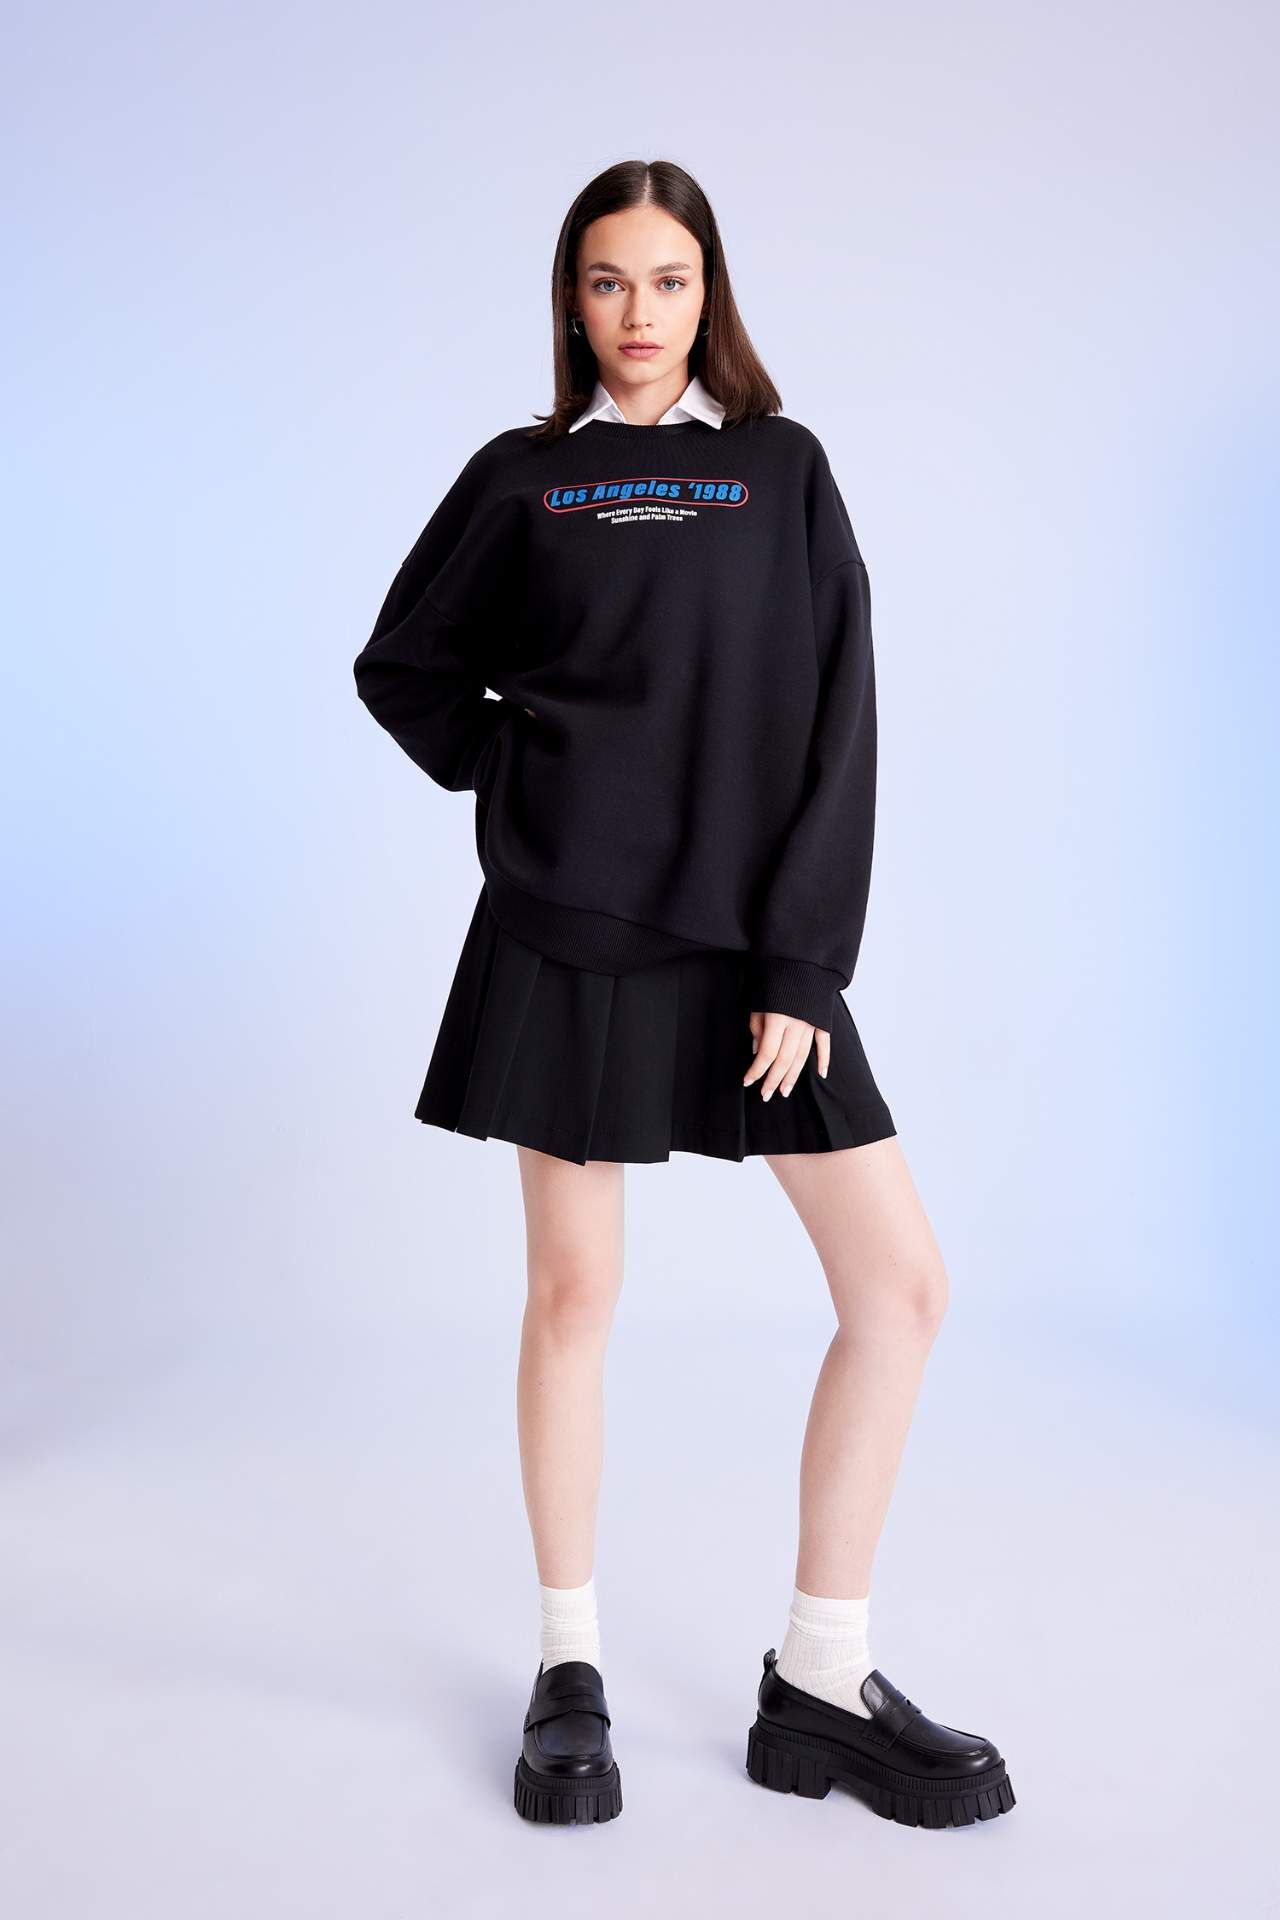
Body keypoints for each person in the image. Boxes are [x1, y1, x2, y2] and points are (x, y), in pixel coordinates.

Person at [352, 158, 1015, 1832]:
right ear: (571, 303)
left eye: (666, 279)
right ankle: (568, 1668)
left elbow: (840, 716)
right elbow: (403, 667)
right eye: (606, 282)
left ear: (708, 292)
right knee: (575, 1296)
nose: (637, 313)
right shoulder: (525, 480)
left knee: (900, 1289)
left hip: (747, 944)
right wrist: (528, 776)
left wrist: (801, 961)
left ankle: (822, 1678)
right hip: (566, 925)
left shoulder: (780, 471)